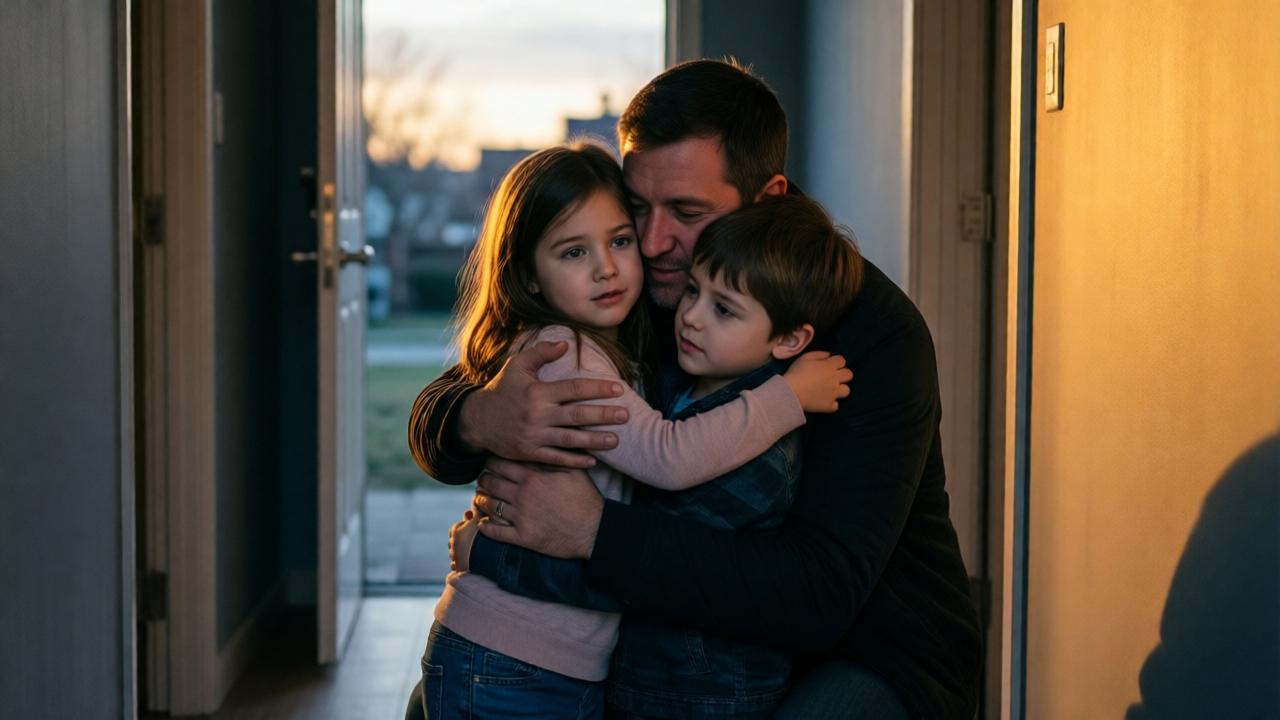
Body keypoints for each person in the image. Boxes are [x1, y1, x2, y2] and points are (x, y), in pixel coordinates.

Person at [411, 59, 983, 719]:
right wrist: (481, 417)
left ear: (767, 195)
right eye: (636, 210)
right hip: (670, 633)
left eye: (685, 211)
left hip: (872, 646)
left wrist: (593, 530)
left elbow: (816, 598)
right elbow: (440, 411)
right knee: (444, 696)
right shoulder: (631, 279)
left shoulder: (874, 334)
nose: (652, 242)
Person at [413, 140, 851, 719]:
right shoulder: (563, 353)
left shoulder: (613, 336)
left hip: (542, 658)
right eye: (573, 252)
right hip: (512, 657)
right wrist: (788, 396)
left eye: (618, 240)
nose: (610, 266)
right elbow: (668, 456)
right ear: (530, 278)